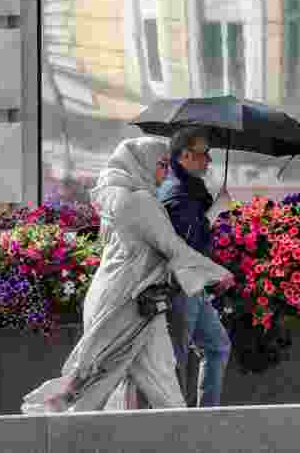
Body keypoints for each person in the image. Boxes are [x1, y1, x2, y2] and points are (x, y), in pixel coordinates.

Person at [20, 136, 234, 414]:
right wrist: (218, 273)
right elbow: (172, 247)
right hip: (128, 302)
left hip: (126, 299)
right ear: (141, 163)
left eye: (167, 165)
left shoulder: (117, 197)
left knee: (118, 381)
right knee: (119, 383)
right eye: (160, 164)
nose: (165, 172)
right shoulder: (139, 201)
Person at [158, 126, 232, 408]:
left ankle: (205, 418)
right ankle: (175, 427)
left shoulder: (189, 189)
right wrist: (216, 211)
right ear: (185, 155)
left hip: (194, 286)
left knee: (217, 346)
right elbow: (184, 243)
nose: (209, 161)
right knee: (176, 359)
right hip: (180, 287)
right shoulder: (174, 191)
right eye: (204, 154)